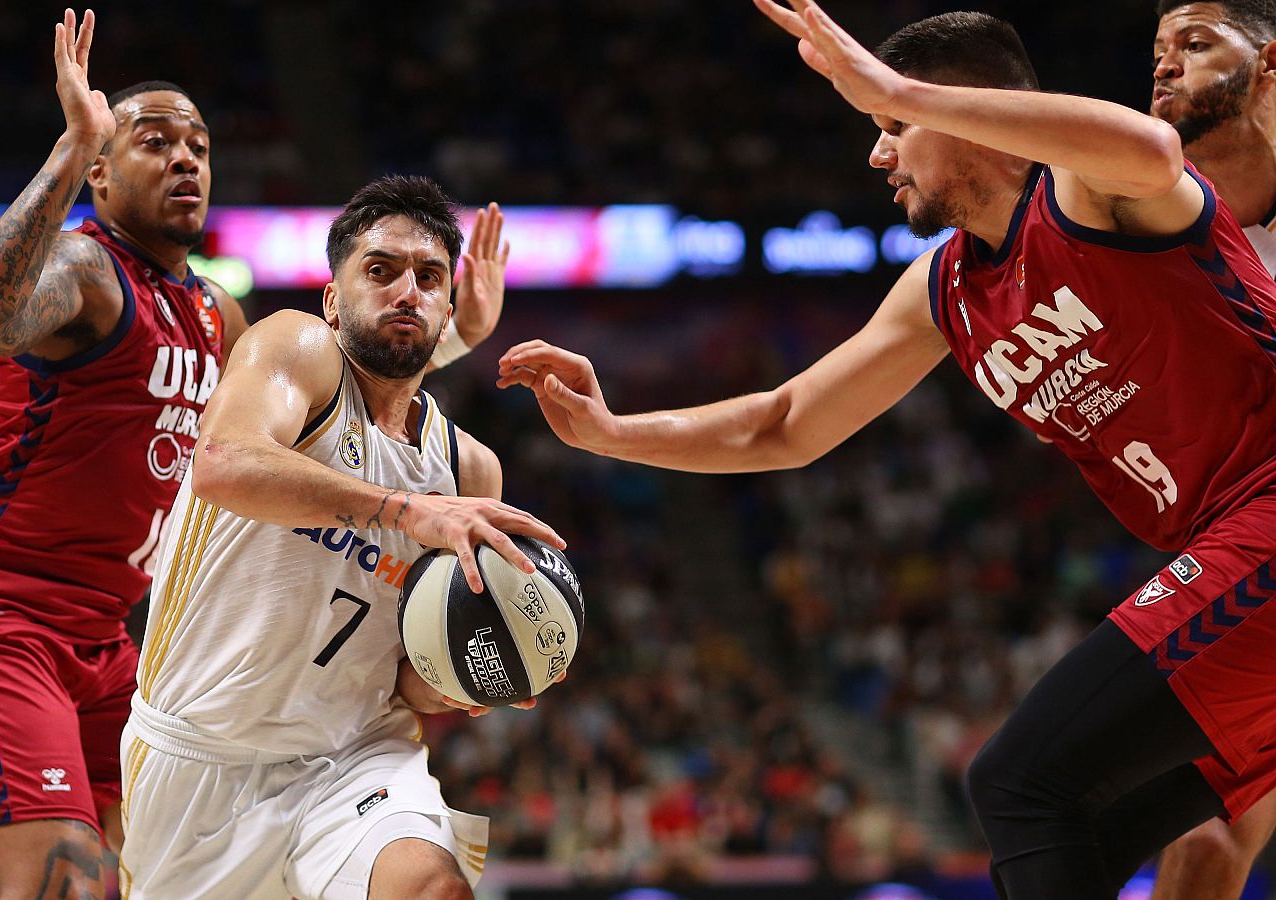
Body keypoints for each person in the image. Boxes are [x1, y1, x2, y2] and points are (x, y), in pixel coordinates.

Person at [500, 2, 1276, 897]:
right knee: (1115, 826)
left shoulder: (1088, 189)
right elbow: (786, 423)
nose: (878, 155)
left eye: (891, 130)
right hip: (1226, 547)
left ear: (959, 109)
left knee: (1019, 781)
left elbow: (1154, 150)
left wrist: (902, 90)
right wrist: (612, 432)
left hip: (1261, 515)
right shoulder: (944, 289)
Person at [0, 10, 510, 898]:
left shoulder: (218, 314)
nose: (186, 159)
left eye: (200, 146)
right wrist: (69, 150)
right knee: (70, 879)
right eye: (154, 142)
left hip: (103, 637)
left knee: (141, 880)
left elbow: (327, 412)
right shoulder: (90, 272)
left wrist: (442, 340)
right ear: (101, 169)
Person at [118, 174, 565, 900]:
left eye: (428, 277)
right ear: (332, 298)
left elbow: (412, 685)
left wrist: (477, 670)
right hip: (201, 759)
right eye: (380, 270)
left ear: (447, 304)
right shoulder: (299, 350)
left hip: (358, 756)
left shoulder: (471, 470)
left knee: (434, 889)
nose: (406, 292)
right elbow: (224, 465)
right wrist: (403, 511)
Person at [1146, 3, 1276, 896]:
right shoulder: (1141, 216)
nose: (1163, 68)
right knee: (1200, 845)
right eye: (1156, 52)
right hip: (1244, 551)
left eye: (1192, 45)